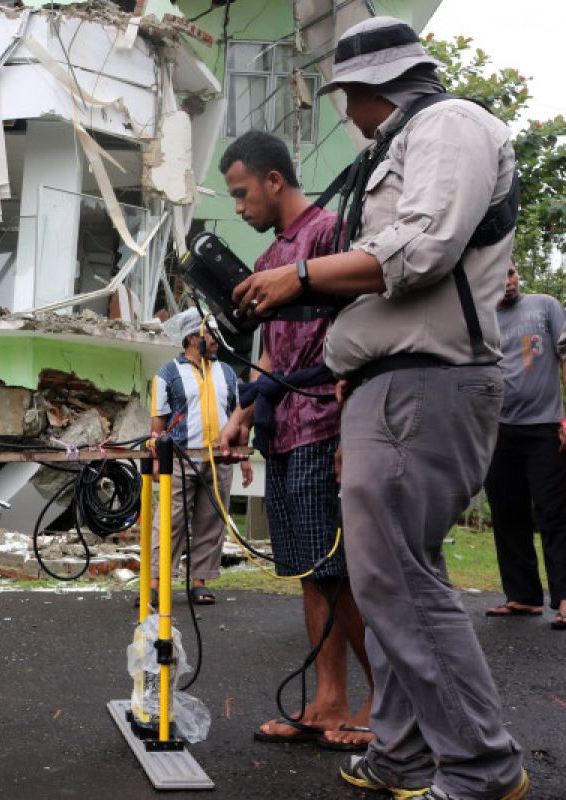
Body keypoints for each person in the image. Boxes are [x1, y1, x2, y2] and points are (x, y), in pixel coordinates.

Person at [230, 17, 528, 800]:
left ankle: (480, 766)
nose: (346, 114)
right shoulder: (399, 143)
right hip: (387, 383)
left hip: (425, 378)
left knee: (399, 578)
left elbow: (424, 247)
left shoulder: (449, 124)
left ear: (367, 89)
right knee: (387, 578)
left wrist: (299, 278)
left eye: (346, 97)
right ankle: (404, 752)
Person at [216, 130, 374, 751]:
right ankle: (329, 699)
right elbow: (269, 354)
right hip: (284, 432)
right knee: (312, 572)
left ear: (273, 181)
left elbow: (361, 328)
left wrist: (355, 413)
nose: (238, 207)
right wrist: (243, 413)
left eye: (241, 193)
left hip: (327, 423)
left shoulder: (331, 236)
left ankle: (384, 701)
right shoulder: (266, 262)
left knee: (341, 572)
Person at [483, 261, 566, 629]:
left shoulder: (545, 306)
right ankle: (523, 596)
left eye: (512, 273)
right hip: (497, 430)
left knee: (555, 512)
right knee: (507, 513)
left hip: (545, 426)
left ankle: (564, 598)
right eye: (499, 275)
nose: (508, 281)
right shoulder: (480, 320)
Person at [150, 309, 250, 606]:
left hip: (219, 459)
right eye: (211, 334)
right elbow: (157, 424)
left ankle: (199, 581)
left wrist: (243, 458)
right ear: (192, 338)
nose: (217, 339)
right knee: (169, 521)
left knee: (212, 521)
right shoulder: (168, 374)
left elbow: (238, 416)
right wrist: (156, 461)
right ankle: (156, 583)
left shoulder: (228, 373)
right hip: (180, 458)